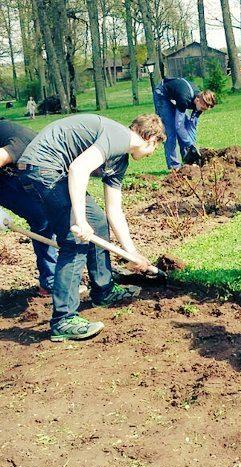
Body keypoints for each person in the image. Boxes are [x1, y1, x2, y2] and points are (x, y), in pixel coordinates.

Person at [16, 113, 166, 342]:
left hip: (51, 172)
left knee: (97, 221)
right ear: (151, 139)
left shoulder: (120, 159)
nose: (152, 154)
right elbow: (78, 169)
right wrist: (78, 219)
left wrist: (131, 252)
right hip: (42, 168)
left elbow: (114, 211)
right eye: (155, 147)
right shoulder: (119, 136)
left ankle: (103, 290)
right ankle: (63, 319)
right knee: (74, 240)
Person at [0, 119, 57, 294]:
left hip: (6, 179)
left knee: (42, 218)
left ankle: (50, 283)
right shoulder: (24, 143)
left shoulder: (49, 160)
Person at [153, 77, 216, 169]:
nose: (202, 111)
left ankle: (188, 164)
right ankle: (175, 167)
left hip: (177, 96)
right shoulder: (184, 99)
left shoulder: (200, 103)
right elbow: (179, 126)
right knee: (171, 132)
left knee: (185, 131)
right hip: (162, 94)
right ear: (198, 100)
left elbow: (192, 126)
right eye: (202, 109)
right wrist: (189, 144)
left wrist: (193, 146)